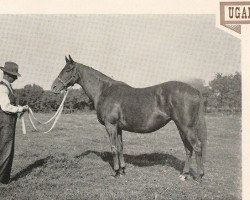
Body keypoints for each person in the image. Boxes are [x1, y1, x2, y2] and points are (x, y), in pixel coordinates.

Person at [0, 61, 29, 184]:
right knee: (6, 149)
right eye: (14, 75)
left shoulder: (7, 87)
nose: (16, 78)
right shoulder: (2, 88)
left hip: (8, 121)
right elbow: (6, 107)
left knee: (5, 148)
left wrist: (19, 108)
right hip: (5, 122)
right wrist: (21, 109)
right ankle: (3, 179)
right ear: (7, 74)